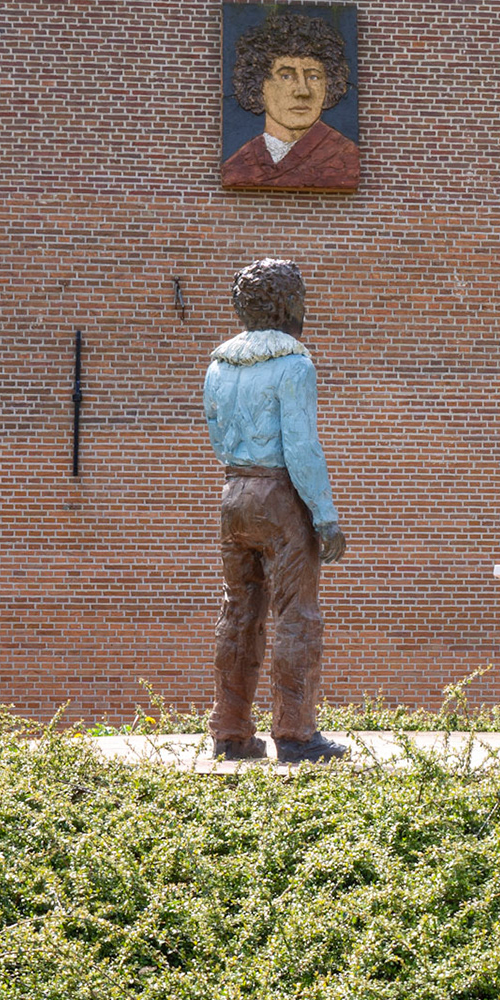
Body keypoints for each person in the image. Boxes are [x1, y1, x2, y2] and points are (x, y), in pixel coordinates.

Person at [203, 259, 350, 762]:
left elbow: (218, 436)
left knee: (238, 611)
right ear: (289, 305)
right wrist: (325, 515)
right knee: (296, 616)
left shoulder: (218, 366)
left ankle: (229, 730)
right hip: (280, 497)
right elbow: (302, 449)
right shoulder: (294, 366)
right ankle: (295, 733)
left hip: (233, 495)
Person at [222, 13, 360, 191]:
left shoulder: (346, 158)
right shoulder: (236, 166)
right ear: (258, 83)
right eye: (286, 76)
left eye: (314, 77)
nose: (302, 91)